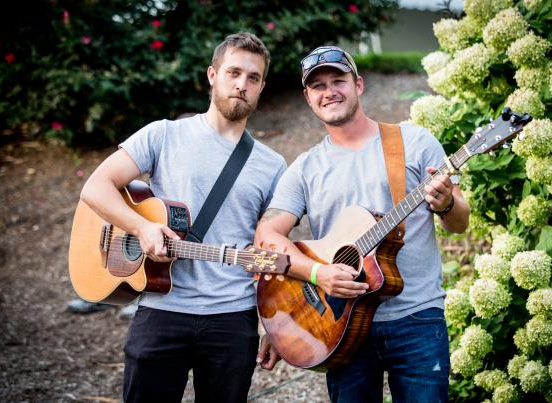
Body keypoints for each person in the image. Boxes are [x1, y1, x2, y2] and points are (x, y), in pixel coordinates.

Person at [254, 45, 470, 402]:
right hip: (338, 326)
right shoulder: (306, 168)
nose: (329, 91)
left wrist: (446, 203)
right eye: (318, 86)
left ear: (358, 84)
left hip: (417, 319)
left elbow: (459, 224)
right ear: (308, 98)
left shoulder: (414, 143)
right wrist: (316, 274)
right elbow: (267, 236)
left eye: (338, 80)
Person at [78, 32, 285, 402]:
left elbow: (273, 248)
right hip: (161, 309)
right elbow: (95, 187)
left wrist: (276, 323)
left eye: (253, 78)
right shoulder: (164, 135)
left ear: (262, 86)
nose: (242, 85)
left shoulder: (272, 165)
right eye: (233, 72)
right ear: (212, 74)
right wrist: (141, 227)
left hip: (233, 317)